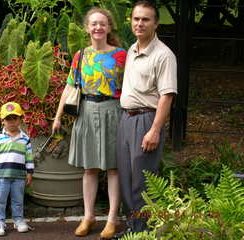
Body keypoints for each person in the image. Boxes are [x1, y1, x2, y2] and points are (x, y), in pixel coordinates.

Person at [52, 7, 127, 239]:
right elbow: (70, 86)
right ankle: (88, 216)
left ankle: (112, 219)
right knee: (90, 168)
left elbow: (132, 85)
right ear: (87, 28)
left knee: (114, 168)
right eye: (94, 23)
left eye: (102, 23)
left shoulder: (121, 55)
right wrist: (57, 115)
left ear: (109, 27)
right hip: (86, 111)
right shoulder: (80, 55)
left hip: (113, 111)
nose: (98, 27)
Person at [115, 0, 177, 236]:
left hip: (146, 121)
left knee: (143, 182)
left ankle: (144, 232)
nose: (139, 23)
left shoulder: (164, 55)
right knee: (127, 178)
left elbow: (167, 96)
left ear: (156, 24)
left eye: (145, 19)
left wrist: (154, 130)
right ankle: (133, 229)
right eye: (136, 19)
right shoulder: (132, 49)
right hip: (126, 120)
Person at [0, 102, 34, 237]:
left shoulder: (25, 139)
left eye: (15, 118)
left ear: (20, 119)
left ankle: (18, 220)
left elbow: (29, 157)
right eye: (8, 119)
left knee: (18, 200)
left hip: (19, 176)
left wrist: (30, 173)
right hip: (1, 176)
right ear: (2, 121)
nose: (12, 122)